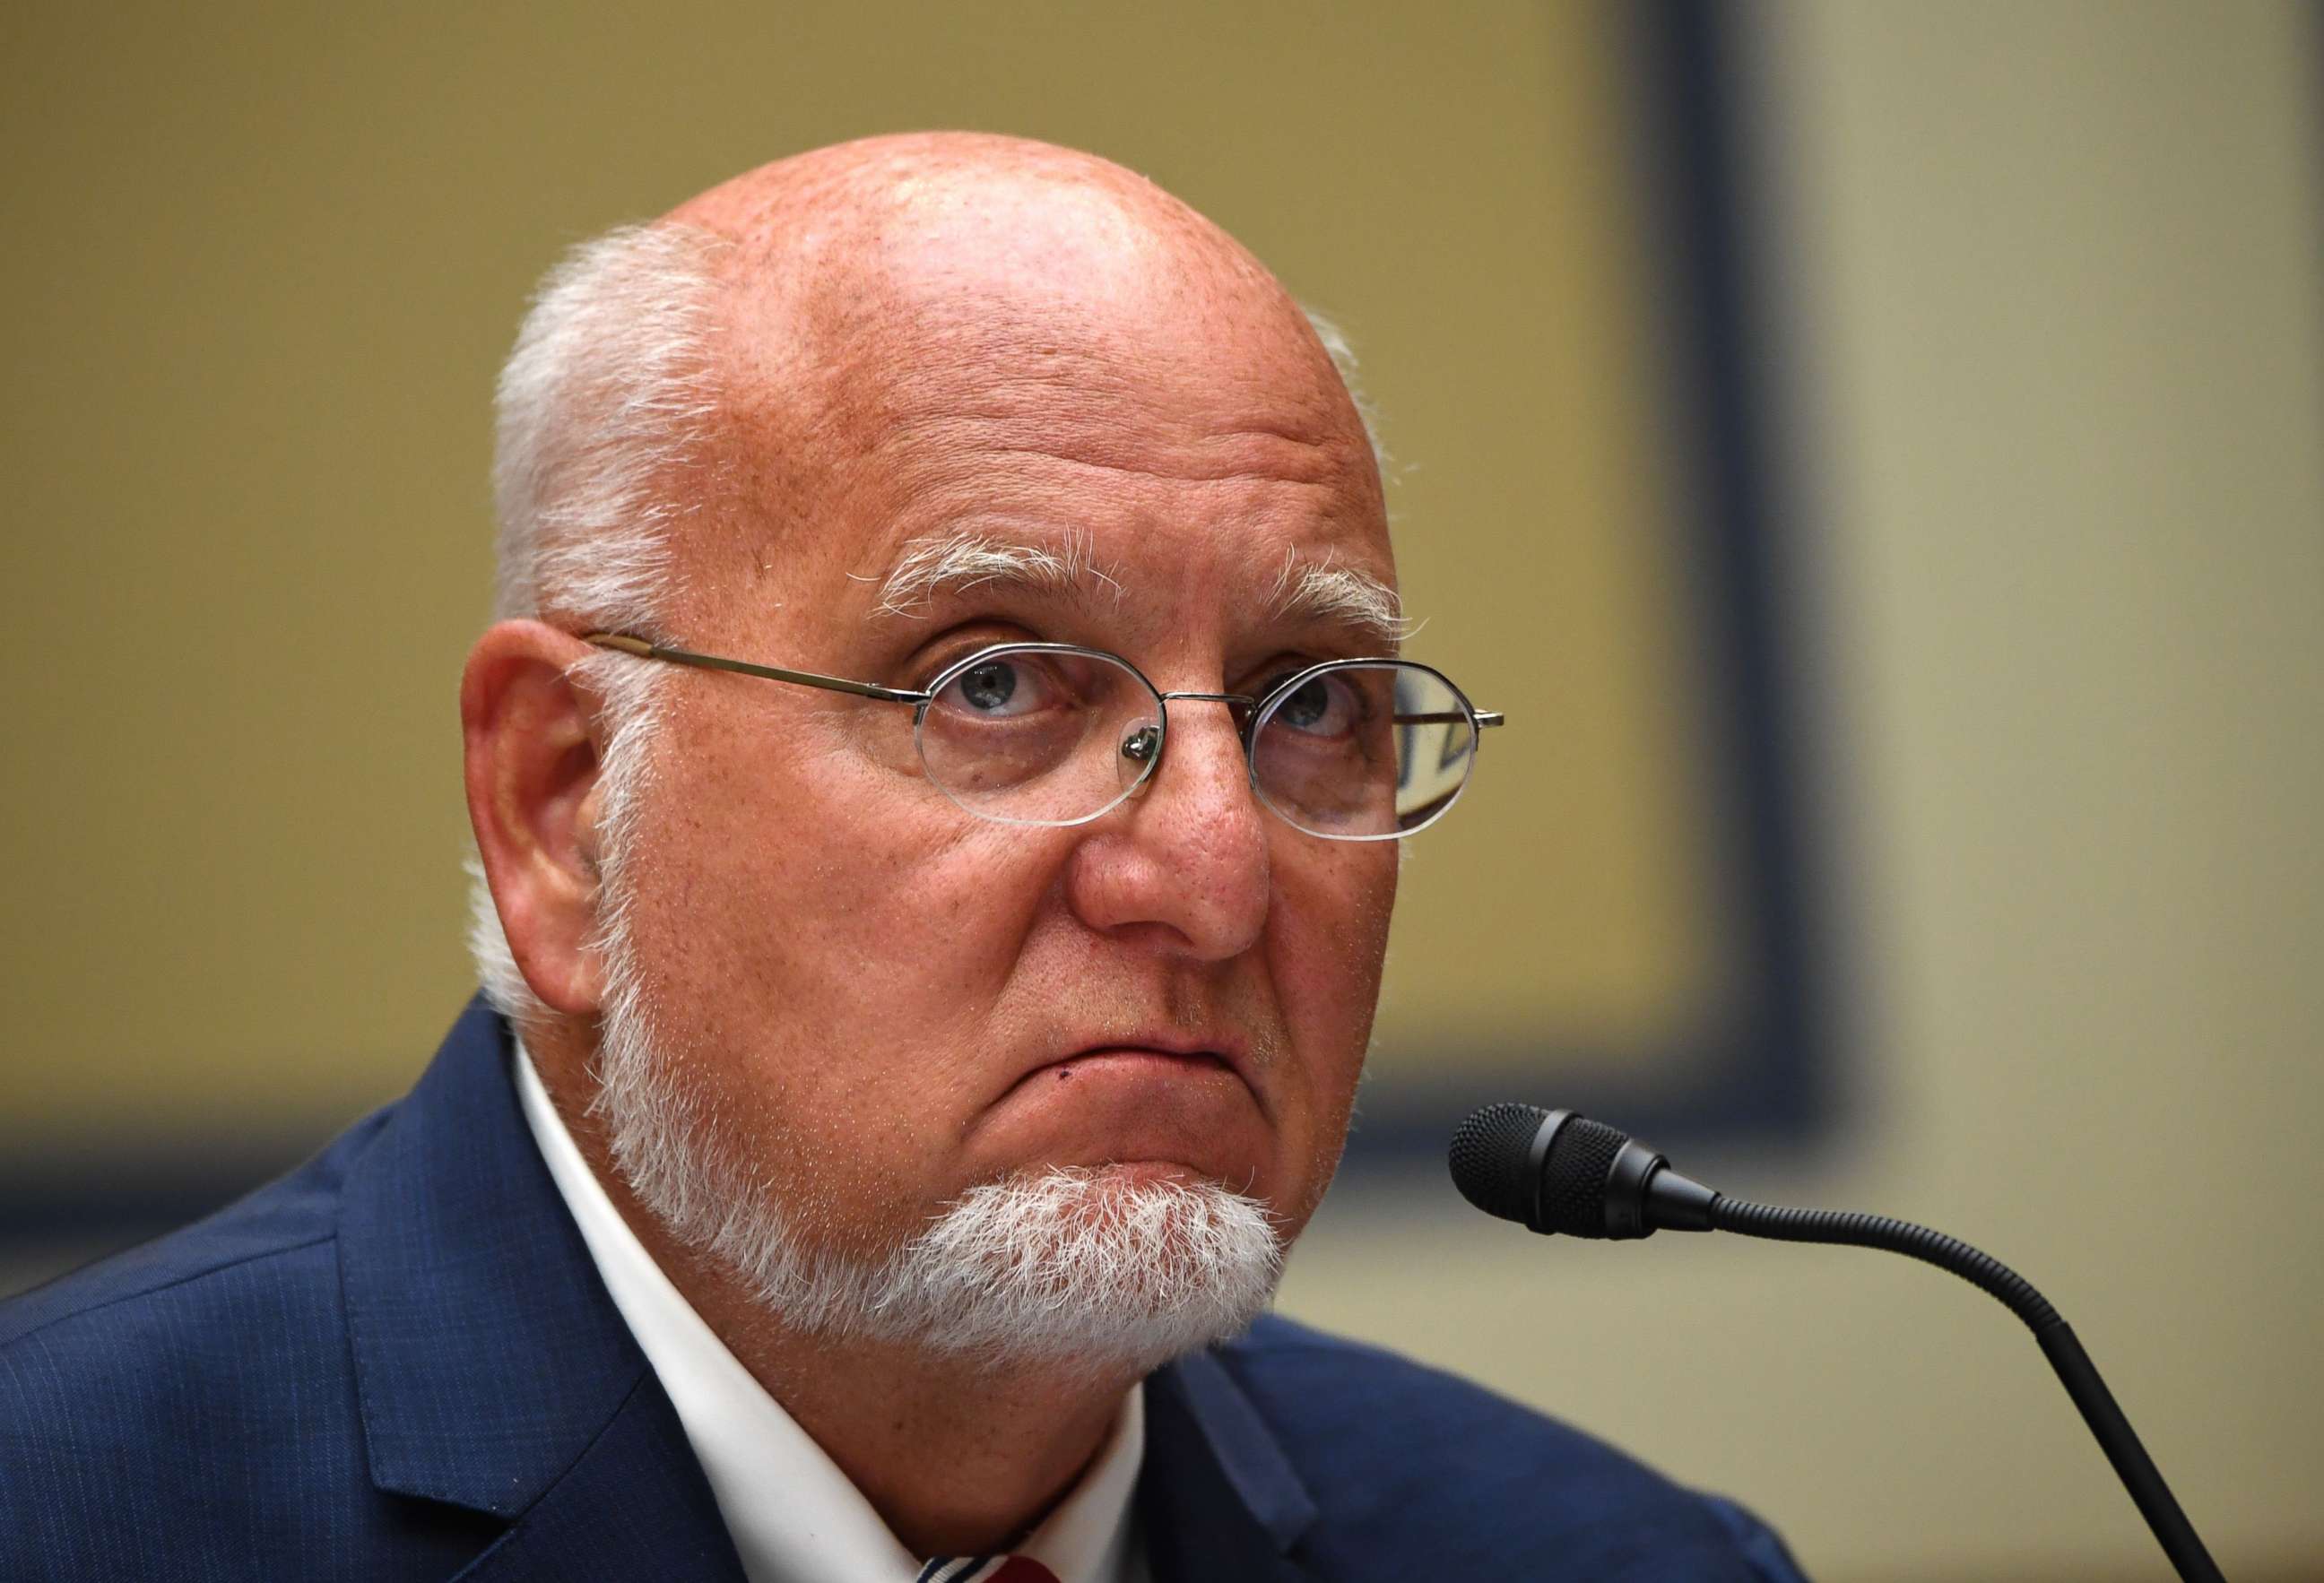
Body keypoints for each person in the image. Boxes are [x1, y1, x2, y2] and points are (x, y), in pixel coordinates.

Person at [0, 133, 1803, 1581]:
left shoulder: (1613, 1553)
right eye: (996, 679)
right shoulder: (64, 1512)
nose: (1214, 876)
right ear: (564, 812)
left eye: (1308, 703)